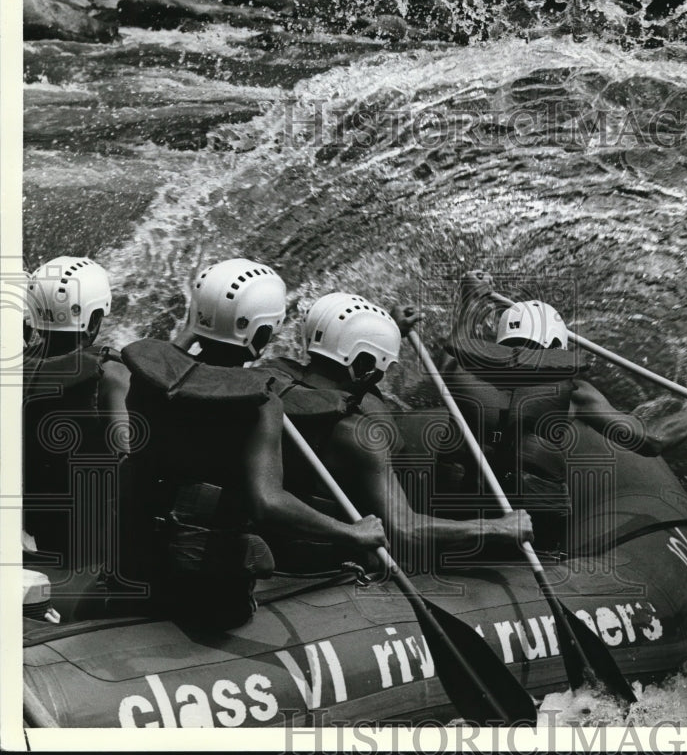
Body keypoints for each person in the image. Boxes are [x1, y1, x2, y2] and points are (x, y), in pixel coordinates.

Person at [120, 259, 387, 629]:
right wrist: (353, 533)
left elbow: (175, 359)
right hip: (208, 594)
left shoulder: (148, 378)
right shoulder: (261, 403)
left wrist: (198, 327)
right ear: (262, 334)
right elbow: (269, 503)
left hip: (135, 564)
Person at [439, 270, 687, 551]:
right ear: (556, 343)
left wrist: (471, 299)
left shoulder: (456, 373)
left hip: (462, 526)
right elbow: (652, 439)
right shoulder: (575, 393)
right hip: (533, 535)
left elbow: (460, 343)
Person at [260, 292, 533, 576]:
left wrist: (385, 331)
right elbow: (405, 530)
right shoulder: (359, 436)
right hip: (336, 557)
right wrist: (497, 527)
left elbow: (347, 362)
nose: (380, 374)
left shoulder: (272, 379)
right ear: (364, 366)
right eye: (380, 366)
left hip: (285, 533)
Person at [22, 256, 131, 575]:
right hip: (91, 543)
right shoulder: (111, 375)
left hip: (35, 525)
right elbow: (130, 458)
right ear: (94, 320)